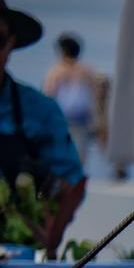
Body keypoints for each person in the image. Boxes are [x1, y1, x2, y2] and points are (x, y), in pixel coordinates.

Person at [0, 0, 85, 258]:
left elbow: (73, 182)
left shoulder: (41, 110)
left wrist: (50, 238)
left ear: (11, 43)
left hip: (17, 258)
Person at [42, 34, 106, 168]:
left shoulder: (56, 71)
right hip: (82, 116)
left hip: (62, 115)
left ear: (62, 51)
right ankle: (78, 176)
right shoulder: (86, 70)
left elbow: (48, 94)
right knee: (80, 150)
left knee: (60, 149)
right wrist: (100, 119)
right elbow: (98, 94)